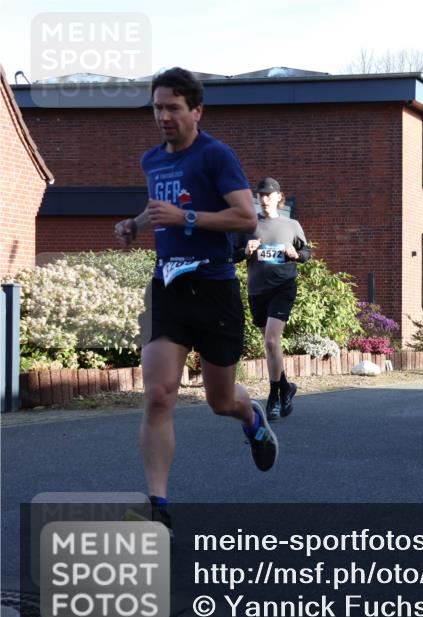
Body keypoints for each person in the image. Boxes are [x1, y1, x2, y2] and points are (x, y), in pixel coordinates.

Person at [113, 67, 279, 522]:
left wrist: (185, 219)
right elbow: (159, 211)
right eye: (156, 107)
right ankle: (158, 505)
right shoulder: (152, 161)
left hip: (214, 287)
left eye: (172, 107)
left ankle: (252, 419)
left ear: (196, 110)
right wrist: (135, 225)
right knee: (158, 394)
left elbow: (246, 218)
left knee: (219, 400)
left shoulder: (216, 156)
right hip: (168, 286)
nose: (163, 116)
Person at [233, 177, 309, 420]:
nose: (264, 199)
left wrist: (296, 254)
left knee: (271, 342)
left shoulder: (292, 224)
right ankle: (286, 387)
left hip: (283, 287)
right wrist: (245, 251)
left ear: (279, 197)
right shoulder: (248, 226)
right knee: (270, 345)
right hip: (258, 291)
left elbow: (306, 253)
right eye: (261, 195)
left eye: (269, 194)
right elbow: (231, 255)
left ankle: (274, 396)